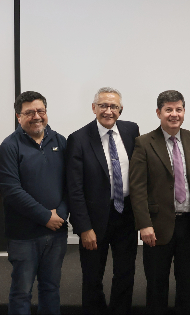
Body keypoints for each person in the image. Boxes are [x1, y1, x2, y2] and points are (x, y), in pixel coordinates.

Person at [129, 90, 190, 314]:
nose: (174, 114)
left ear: (184, 111)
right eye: (168, 110)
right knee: (157, 284)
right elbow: (137, 188)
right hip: (157, 226)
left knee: (187, 283)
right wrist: (144, 224)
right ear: (159, 112)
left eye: (178, 109)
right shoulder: (144, 143)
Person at [66, 87, 140, 314]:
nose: (108, 111)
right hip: (95, 219)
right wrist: (83, 228)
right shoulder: (78, 139)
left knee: (125, 273)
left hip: (126, 213)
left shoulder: (131, 130)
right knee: (92, 275)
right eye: (103, 106)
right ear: (93, 108)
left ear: (121, 110)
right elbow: (74, 189)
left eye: (113, 107)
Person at [0, 91, 68, 314]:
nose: (36, 116)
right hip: (24, 236)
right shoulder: (10, 145)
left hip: (56, 232)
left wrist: (61, 214)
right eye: (29, 112)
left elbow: (71, 184)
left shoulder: (61, 141)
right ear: (19, 116)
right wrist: (46, 217)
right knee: (21, 291)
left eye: (40, 111)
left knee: (51, 288)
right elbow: (11, 190)